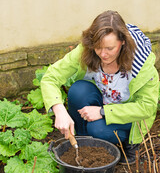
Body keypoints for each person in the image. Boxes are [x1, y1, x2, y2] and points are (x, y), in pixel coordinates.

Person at [41, 10, 159, 164]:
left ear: (123, 41)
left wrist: (103, 112)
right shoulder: (87, 51)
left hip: (126, 117)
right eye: (98, 48)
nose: (103, 54)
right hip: (99, 104)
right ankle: (83, 142)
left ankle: (128, 146)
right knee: (78, 90)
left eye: (110, 48)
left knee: (98, 130)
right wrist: (59, 110)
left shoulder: (142, 64)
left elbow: (147, 107)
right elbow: (50, 77)